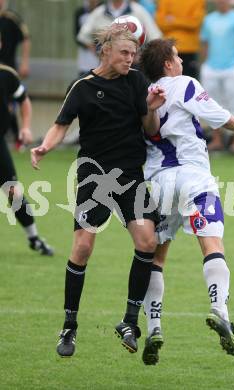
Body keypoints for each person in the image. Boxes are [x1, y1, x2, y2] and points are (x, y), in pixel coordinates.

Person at [31, 25, 166, 358]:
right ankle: (69, 326)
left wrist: (150, 107)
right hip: (94, 176)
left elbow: (152, 130)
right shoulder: (83, 87)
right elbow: (62, 123)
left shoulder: (137, 82)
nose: (130, 59)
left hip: (131, 175)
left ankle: (130, 321)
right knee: (83, 247)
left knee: (148, 241)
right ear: (105, 50)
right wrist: (45, 147)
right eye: (124, 53)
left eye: (133, 54)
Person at [139, 38, 234, 365]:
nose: (181, 62)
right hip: (194, 176)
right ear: (167, 64)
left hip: (159, 182)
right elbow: (214, 113)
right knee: (211, 243)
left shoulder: (144, 96)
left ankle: (154, 327)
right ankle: (219, 309)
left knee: (157, 257)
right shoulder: (184, 84)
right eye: (176, 57)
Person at [0, 64, 54, 256]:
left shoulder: (7, 75)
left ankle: (34, 238)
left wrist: (26, 127)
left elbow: (23, 100)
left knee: (13, 191)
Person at [200, 0, 234, 153]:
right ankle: (217, 140)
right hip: (211, 68)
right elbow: (205, 43)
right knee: (212, 104)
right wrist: (206, 63)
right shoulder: (208, 19)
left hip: (231, 67)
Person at [0, 0, 31, 150]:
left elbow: (26, 38)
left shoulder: (11, 18)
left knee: (10, 105)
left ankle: (19, 137)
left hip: (7, 71)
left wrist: (25, 62)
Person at [77, 0, 161, 53]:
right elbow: (83, 36)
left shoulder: (139, 11)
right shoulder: (98, 12)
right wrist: (99, 54)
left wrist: (139, 56)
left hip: (134, 68)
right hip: (107, 69)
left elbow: (155, 37)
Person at [155, 0, 205, 79]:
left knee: (190, 85)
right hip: (169, 50)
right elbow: (160, 22)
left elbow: (195, 23)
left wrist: (173, 20)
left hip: (189, 50)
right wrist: (185, 20)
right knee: (169, 84)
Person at [74, 0, 102, 76]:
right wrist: (89, 46)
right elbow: (77, 36)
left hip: (101, 54)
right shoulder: (80, 12)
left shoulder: (103, 11)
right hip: (85, 55)